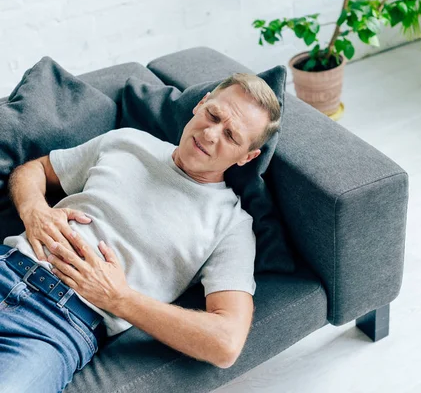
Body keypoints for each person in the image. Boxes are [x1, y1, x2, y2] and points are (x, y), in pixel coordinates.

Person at [0, 72, 281, 393]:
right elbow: (34, 170)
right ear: (201, 104)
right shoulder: (127, 141)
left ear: (247, 156)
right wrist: (34, 209)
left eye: (231, 136)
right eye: (213, 115)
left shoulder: (232, 225)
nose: (211, 133)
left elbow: (226, 343)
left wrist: (120, 299)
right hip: (9, 265)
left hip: (58, 327)